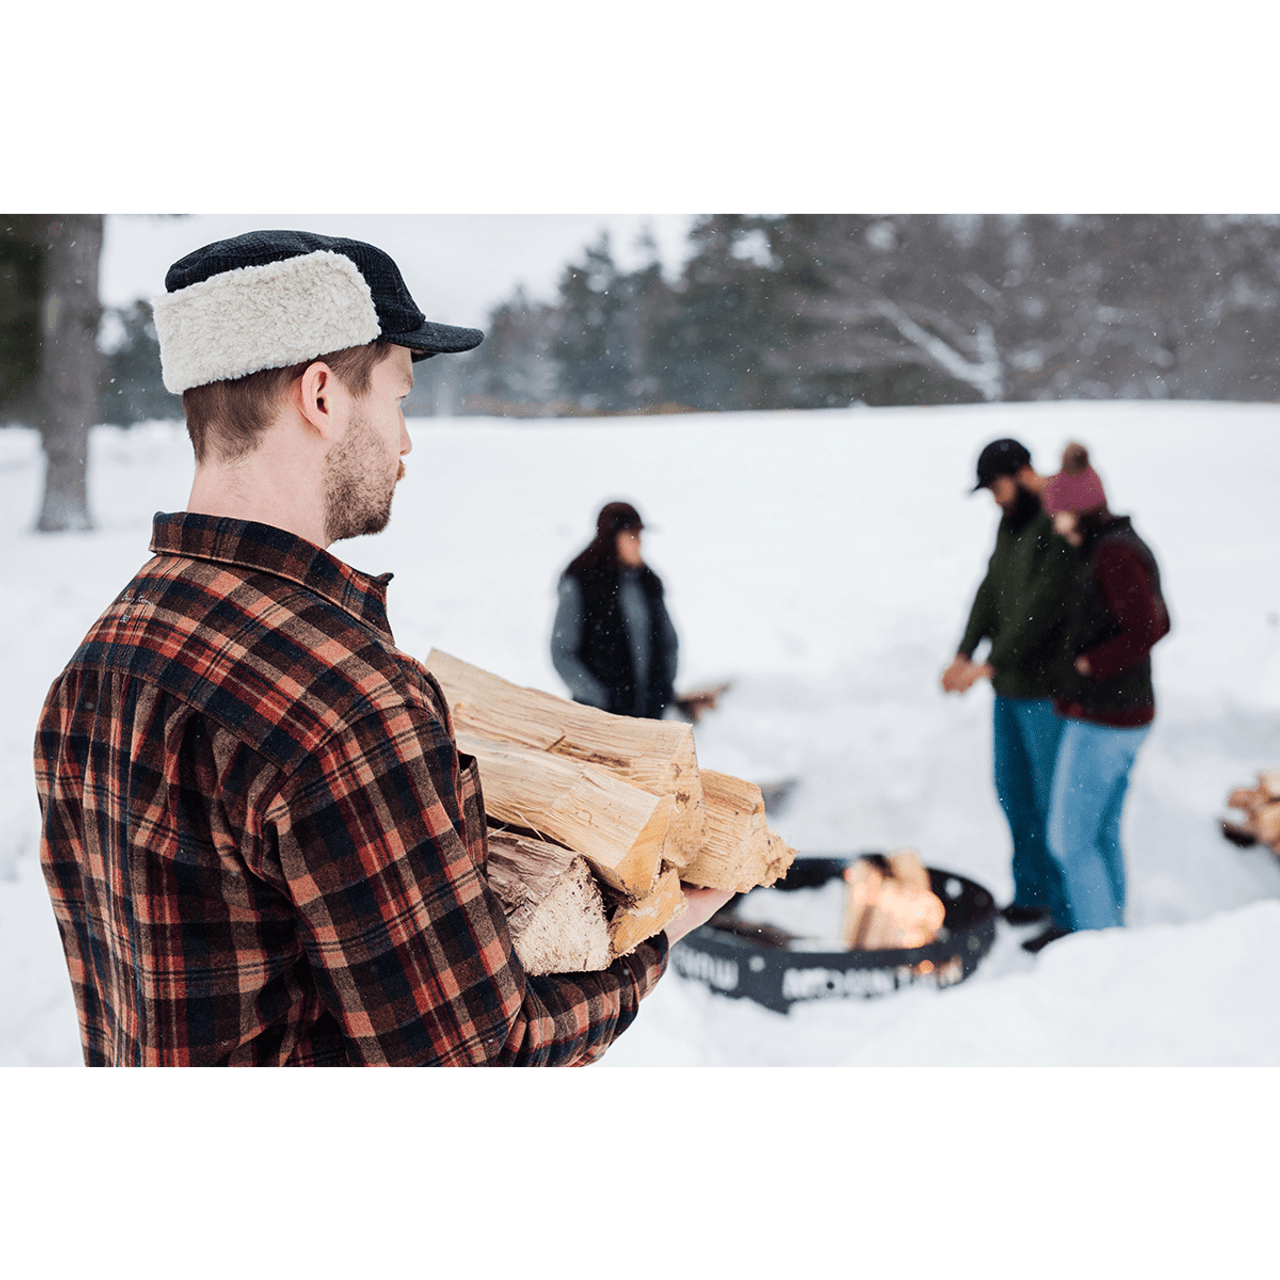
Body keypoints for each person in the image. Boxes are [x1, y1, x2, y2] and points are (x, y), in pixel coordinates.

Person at [33, 230, 731, 1068]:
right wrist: (654, 940)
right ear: (321, 395)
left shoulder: (102, 659)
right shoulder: (346, 703)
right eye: (398, 397)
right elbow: (476, 1060)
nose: (405, 443)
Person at [1024, 443, 1170, 953]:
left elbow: (1149, 626)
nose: (1055, 524)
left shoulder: (1114, 554)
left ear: (1079, 510)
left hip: (1106, 718)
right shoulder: (1111, 546)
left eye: (1059, 514)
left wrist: (1091, 664)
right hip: (1117, 713)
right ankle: (1111, 939)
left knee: (1068, 839)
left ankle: (1097, 953)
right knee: (1099, 833)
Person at [940, 438, 1076, 931]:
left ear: (1021, 473)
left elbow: (1046, 604)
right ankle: (1031, 894)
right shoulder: (1010, 522)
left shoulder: (1056, 517)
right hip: (1008, 691)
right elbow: (991, 587)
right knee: (1013, 793)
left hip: (1045, 691)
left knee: (1051, 802)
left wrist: (989, 664)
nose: (995, 500)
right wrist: (964, 650)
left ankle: (1065, 911)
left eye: (997, 488)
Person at [550, 501, 680, 720]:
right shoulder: (581, 583)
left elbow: (669, 642)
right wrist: (597, 698)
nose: (639, 542)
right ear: (611, 538)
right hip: (599, 722)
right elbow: (562, 651)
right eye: (632, 535)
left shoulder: (648, 582)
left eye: (639, 535)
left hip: (649, 717)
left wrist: (663, 688)